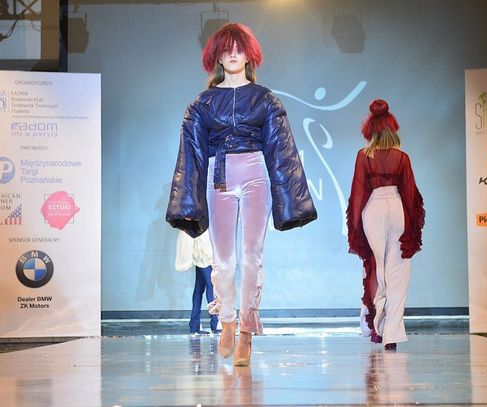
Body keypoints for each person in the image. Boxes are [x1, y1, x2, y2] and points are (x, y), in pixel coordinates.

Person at [166, 23, 317, 366]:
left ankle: (246, 330)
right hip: (219, 175)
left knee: (252, 256)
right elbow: (190, 153)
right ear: (217, 56)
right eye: (226, 49)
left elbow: (282, 150)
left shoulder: (265, 98)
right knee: (224, 259)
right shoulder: (202, 103)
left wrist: (292, 200)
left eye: (239, 48)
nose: (233, 54)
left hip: (255, 176)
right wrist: (187, 203)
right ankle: (227, 321)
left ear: (249, 54)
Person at [346, 99, 425, 351]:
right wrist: (412, 228)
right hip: (397, 207)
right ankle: (392, 334)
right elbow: (410, 194)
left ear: (371, 130)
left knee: (376, 267)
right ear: (392, 128)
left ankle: (378, 325)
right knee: (398, 272)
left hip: (373, 208)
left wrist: (355, 228)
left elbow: (358, 193)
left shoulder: (364, 156)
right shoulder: (402, 158)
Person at [175, 230, 219, 334]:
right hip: (204, 253)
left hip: (201, 252)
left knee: (200, 289)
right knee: (211, 287)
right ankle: (215, 322)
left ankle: (195, 324)